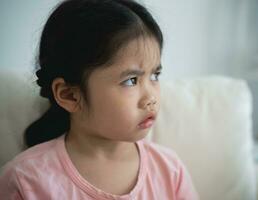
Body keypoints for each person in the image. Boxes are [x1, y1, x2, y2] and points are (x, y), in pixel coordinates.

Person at [0, 0, 198, 199]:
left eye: (155, 75)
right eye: (131, 80)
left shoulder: (170, 171)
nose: (151, 98)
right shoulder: (25, 180)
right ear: (70, 95)